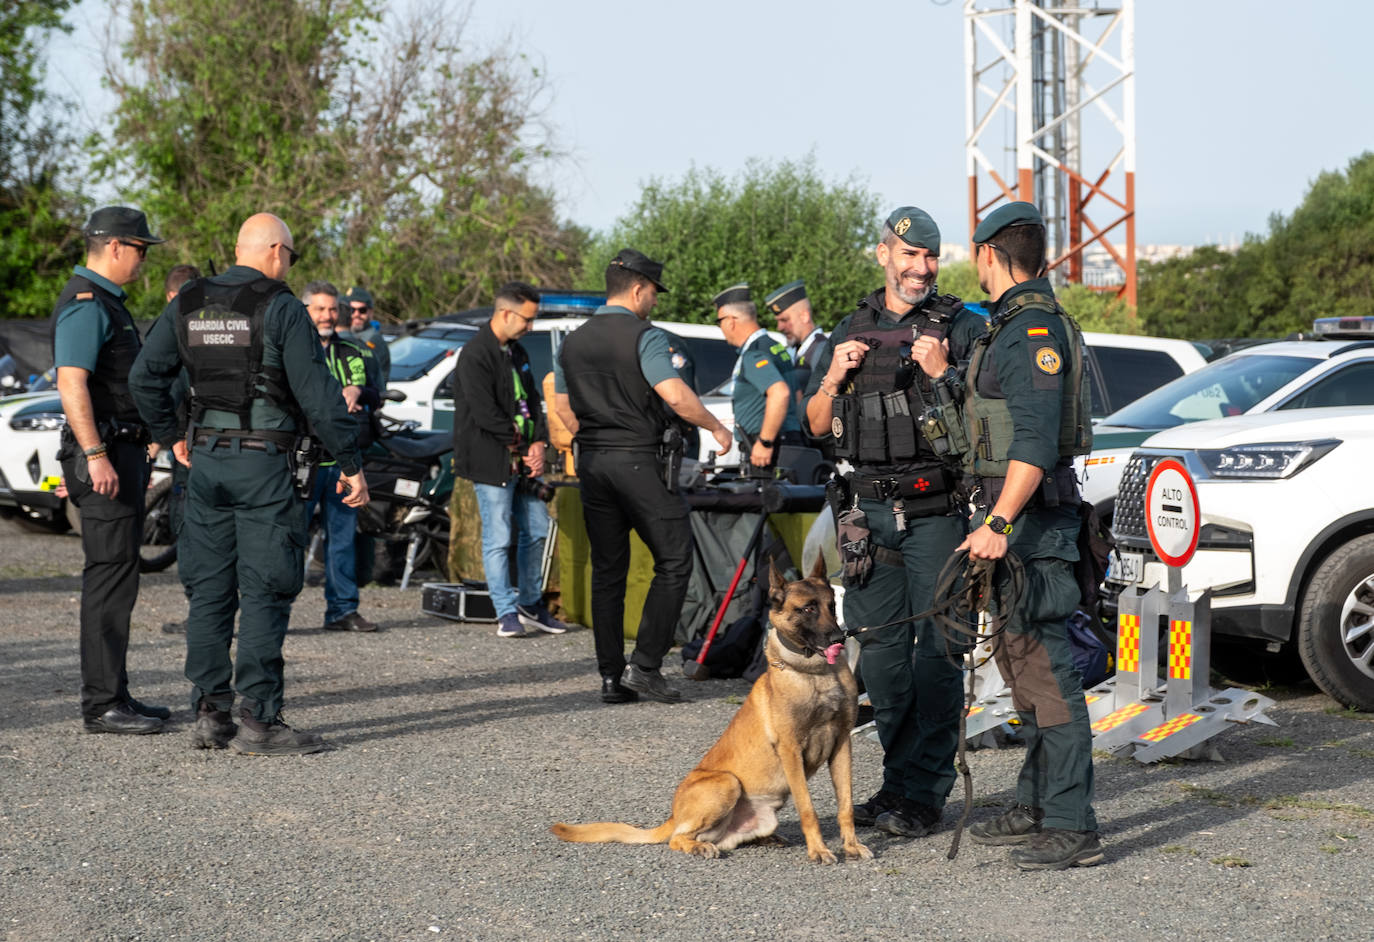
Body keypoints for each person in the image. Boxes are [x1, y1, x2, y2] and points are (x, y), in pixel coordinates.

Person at [129, 212, 369, 756]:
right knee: (265, 589)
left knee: (209, 592)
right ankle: (259, 721)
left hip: (205, 463)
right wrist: (351, 463)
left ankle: (211, 715)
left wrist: (171, 437)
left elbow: (145, 376)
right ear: (276, 251)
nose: (289, 264)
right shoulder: (282, 307)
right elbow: (320, 397)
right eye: (291, 255)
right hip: (266, 467)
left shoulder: (188, 301)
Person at [800, 206, 986, 838]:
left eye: (930, 257)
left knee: (938, 653)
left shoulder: (960, 327)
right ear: (883, 255)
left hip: (935, 512)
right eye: (909, 256)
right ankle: (898, 782)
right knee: (879, 657)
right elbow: (817, 424)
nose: (921, 268)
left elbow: (987, 420)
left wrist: (945, 374)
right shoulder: (851, 326)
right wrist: (833, 375)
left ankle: (924, 793)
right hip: (865, 515)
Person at [957, 201, 1102, 870]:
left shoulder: (1030, 330)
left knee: (1047, 677)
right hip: (1019, 527)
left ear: (988, 253)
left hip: (1031, 528)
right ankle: (1035, 802)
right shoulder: (1013, 324)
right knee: (1022, 671)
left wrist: (996, 522)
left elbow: (1037, 443)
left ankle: (1072, 824)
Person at [554, 248, 732, 704]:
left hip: (593, 461)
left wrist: (591, 436)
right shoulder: (645, 337)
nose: (654, 301)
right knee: (674, 559)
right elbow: (673, 392)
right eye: (653, 292)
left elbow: (558, 404)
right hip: (640, 461)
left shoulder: (571, 341)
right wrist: (714, 425)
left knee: (608, 570)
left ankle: (611, 678)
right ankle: (647, 666)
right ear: (637, 289)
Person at [52, 206, 168, 735]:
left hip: (120, 454)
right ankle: (101, 704)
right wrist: (96, 454)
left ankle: (115, 693)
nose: (143, 261)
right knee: (108, 579)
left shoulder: (106, 304)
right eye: (141, 249)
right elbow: (71, 383)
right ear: (117, 246)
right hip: (102, 460)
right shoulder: (87, 303)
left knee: (120, 575)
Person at [452, 281, 570, 639]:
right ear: (505, 313)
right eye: (527, 319)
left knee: (536, 530)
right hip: (492, 463)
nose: (530, 327)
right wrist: (521, 446)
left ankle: (531, 604)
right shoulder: (475, 354)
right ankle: (505, 612)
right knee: (499, 536)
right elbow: (485, 413)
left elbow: (533, 401)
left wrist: (538, 444)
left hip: (521, 462)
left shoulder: (517, 352)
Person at [303, 280, 381, 633]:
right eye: (319, 308)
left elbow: (379, 393)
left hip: (345, 462)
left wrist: (359, 389)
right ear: (306, 310)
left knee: (344, 539)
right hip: (302, 460)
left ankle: (342, 610)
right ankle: (274, 610)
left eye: (333, 309)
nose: (327, 315)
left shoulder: (358, 350)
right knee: (288, 538)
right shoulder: (294, 349)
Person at [158, 264, 202, 636]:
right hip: (223, 449)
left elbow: (160, 391)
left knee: (188, 531)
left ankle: (200, 614)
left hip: (189, 451)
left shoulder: (174, 336)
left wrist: (161, 436)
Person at [713, 283, 801, 468]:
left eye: (719, 321)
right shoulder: (774, 346)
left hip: (768, 448)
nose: (721, 327)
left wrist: (765, 442)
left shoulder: (754, 353)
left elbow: (780, 393)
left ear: (730, 321)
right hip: (787, 442)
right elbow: (797, 394)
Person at [765, 278, 828, 399]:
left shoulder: (821, 349)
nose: (779, 327)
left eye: (784, 320)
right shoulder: (799, 350)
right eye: (778, 321)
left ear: (804, 316)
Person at [343, 286, 390, 388]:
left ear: (371, 312)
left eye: (362, 310)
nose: (356, 314)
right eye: (351, 310)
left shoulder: (374, 341)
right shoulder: (347, 335)